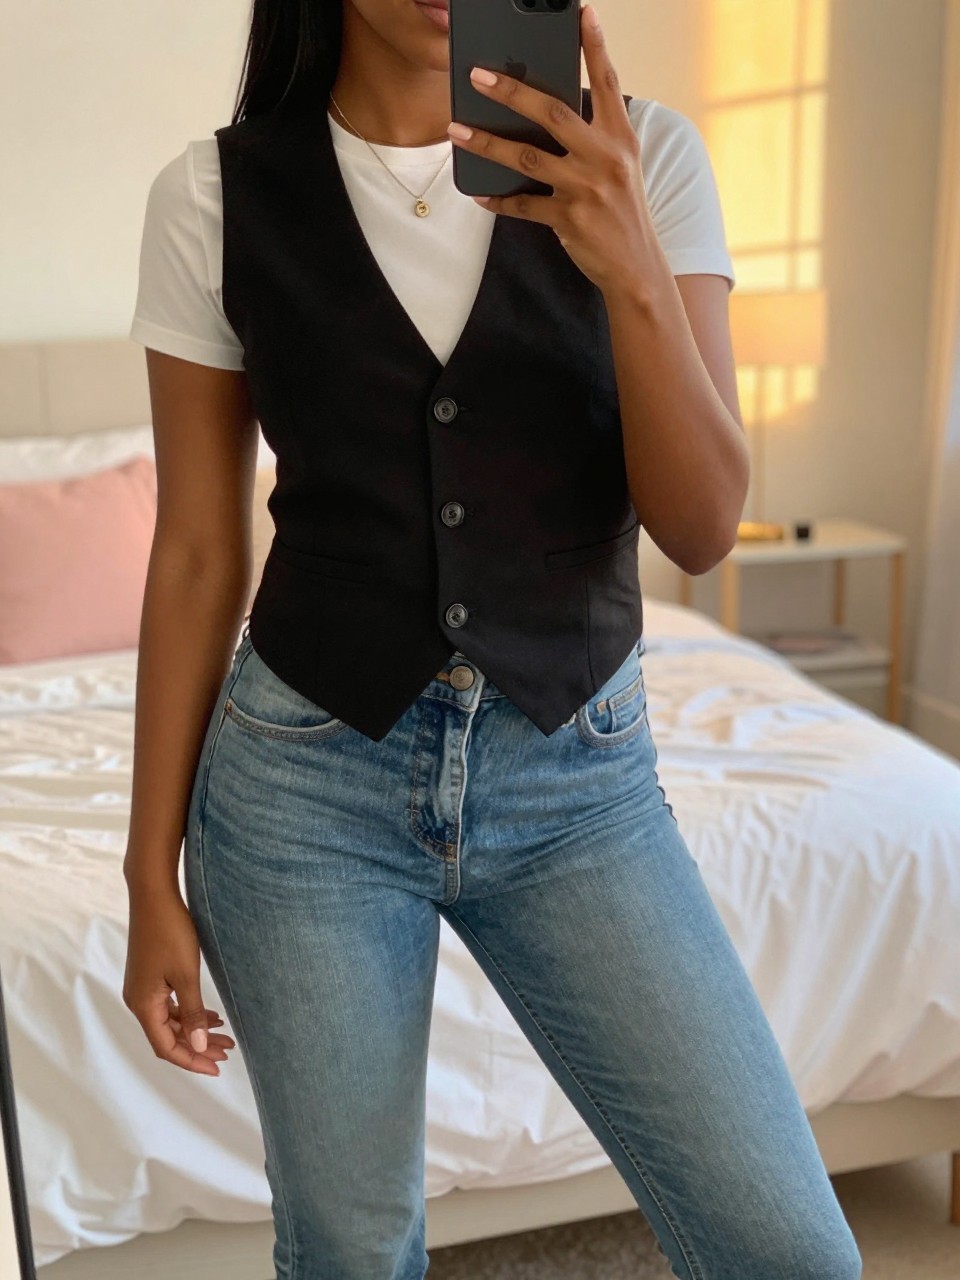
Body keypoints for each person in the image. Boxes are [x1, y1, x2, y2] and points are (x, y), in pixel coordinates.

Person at [122, 2, 863, 1277]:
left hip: (579, 785)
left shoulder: (645, 159)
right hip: (303, 790)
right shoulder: (212, 196)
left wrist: (632, 265)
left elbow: (701, 529)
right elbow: (196, 551)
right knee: (352, 1254)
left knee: (789, 1249)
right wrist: (149, 872)